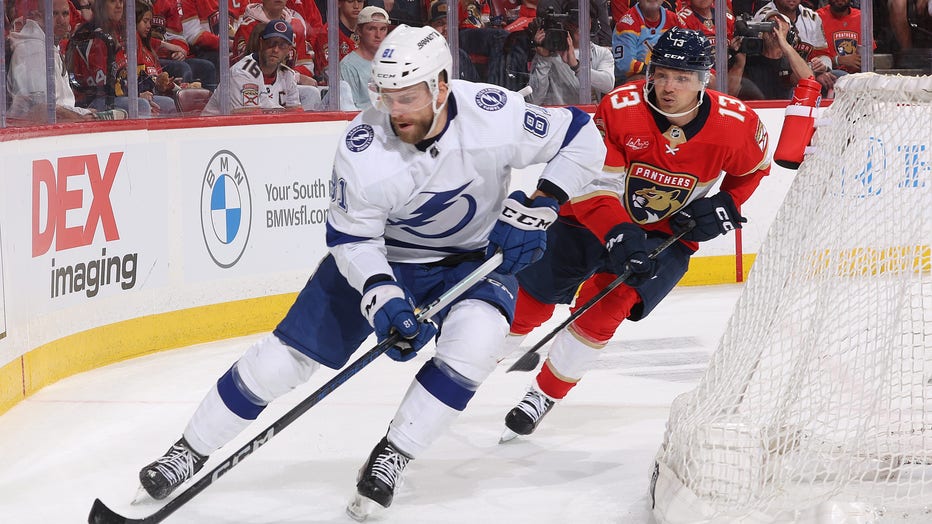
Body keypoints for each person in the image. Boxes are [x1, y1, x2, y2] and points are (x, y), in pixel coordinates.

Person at [136, 23, 605, 521]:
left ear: (441, 86)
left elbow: (581, 135)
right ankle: (189, 449)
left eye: (407, 97)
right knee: (283, 360)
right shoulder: (363, 146)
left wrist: (544, 203)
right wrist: (383, 298)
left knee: (477, 343)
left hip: (471, 260)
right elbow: (352, 238)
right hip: (383, 258)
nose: (394, 110)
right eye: (386, 96)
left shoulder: (492, 114)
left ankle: (393, 455)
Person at [499, 28, 771, 442]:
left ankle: (543, 394)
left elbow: (752, 169)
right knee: (528, 307)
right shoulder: (620, 108)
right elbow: (596, 186)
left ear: (705, 78)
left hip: (666, 233)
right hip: (588, 218)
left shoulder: (735, 124)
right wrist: (620, 233)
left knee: (605, 309)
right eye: (662, 74)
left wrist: (727, 204)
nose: (668, 86)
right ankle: (472, 364)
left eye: (682, 78)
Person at [6, 0, 125, 122]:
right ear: (39, 17)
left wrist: (85, 113)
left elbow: (60, 105)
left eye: (65, 14)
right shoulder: (33, 51)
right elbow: (40, 110)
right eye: (54, 14)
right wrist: (81, 118)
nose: (61, 20)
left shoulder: (49, 45)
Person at [201, 20, 303, 114]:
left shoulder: (288, 75)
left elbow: (296, 115)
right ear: (261, 43)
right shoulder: (242, 72)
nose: (276, 50)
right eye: (271, 43)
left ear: (289, 49)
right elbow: (249, 118)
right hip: (215, 130)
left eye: (282, 46)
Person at [527, 8, 614, 105]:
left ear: (591, 23)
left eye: (584, 20)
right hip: (558, 116)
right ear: (565, 22)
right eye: (574, 21)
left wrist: (576, 67)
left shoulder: (602, 53)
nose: (579, 26)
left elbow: (608, 86)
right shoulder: (547, 53)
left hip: (588, 115)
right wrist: (544, 59)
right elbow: (533, 100)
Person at [752, 0, 836, 95]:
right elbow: (777, 62)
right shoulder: (765, 17)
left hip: (807, 74)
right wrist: (813, 73)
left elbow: (823, 54)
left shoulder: (812, 17)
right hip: (779, 77)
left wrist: (823, 67)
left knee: (838, 77)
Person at [734, 10, 814, 99]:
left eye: (779, 27)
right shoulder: (747, 59)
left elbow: (809, 81)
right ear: (761, 33)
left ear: (789, 35)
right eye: (769, 25)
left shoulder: (791, 64)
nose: (773, 31)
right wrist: (738, 65)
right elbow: (729, 93)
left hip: (780, 111)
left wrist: (784, 43)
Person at [611, 0, 678, 84]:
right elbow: (626, 65)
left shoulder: (674, 19)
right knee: (642, 78)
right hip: (629, 80)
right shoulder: (626, 24)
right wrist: (658, 70)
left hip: (665, 75)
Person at [339, 5, 389, 109]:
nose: (378, 35)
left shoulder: (391, 62)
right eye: (372, 29)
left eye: (383, 29)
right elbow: (349, 109)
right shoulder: (348, 66)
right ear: (359, 31)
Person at [427, 0, 481, 82]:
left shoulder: (461, 55)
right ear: (430, 27)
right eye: (440, 23)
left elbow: (474, 86)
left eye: (449, 23)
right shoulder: (424, 57)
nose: (446, 28)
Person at [816, 0, 870, 74]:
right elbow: (812, 60)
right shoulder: (817, 17)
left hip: (857, 77)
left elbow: (869, 56)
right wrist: (837, 60)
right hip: (828, 75)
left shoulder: (861, 17)